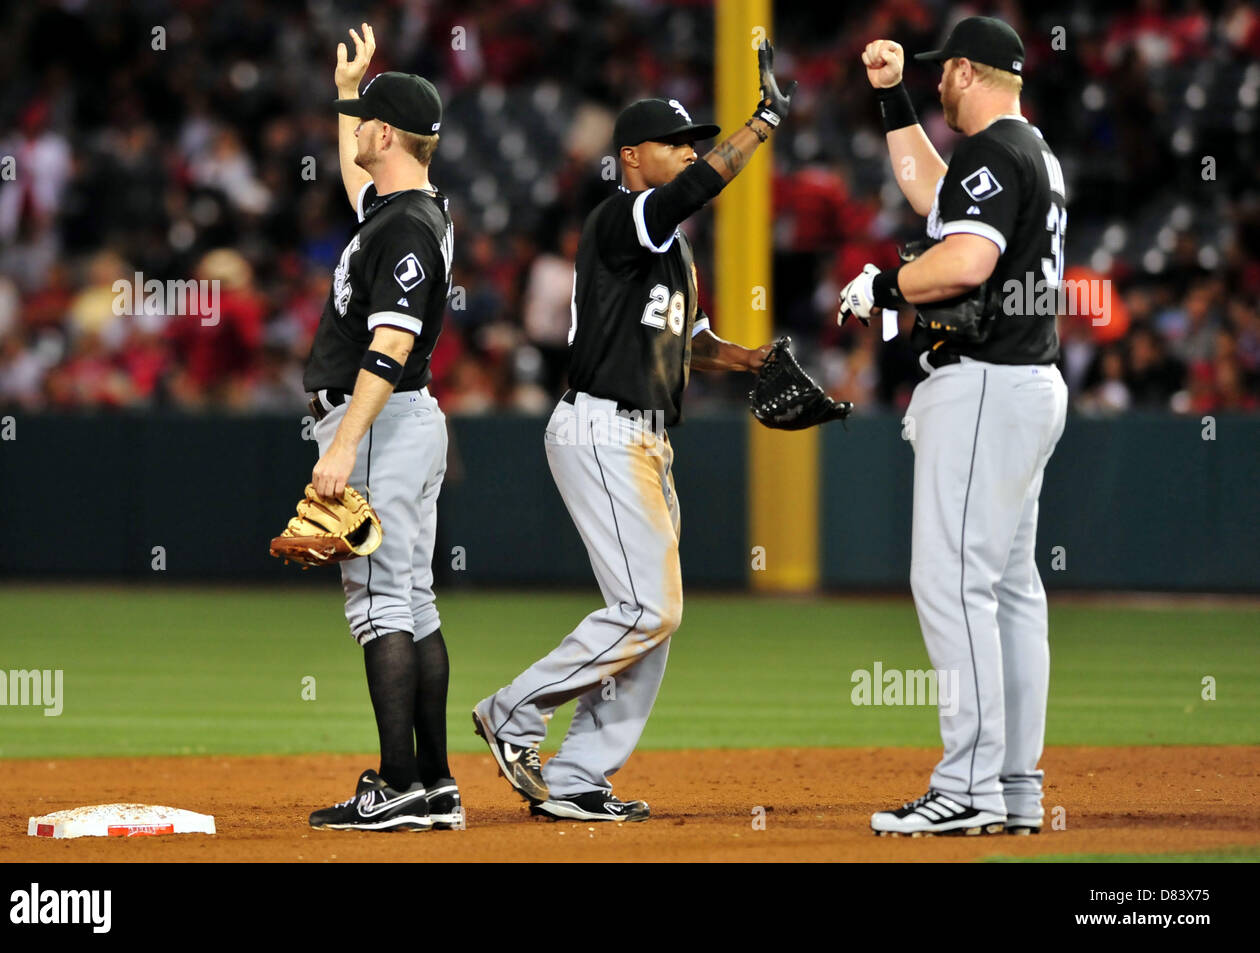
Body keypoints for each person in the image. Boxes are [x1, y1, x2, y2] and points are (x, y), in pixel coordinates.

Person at [472, 43, 792, 823]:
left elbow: (689, 342)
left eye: (694, 139)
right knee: (650, 607)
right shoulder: (624, 217)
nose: (687, 150)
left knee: (652, 618)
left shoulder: (669, 250)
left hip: (648, 441)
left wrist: (752, 361)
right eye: (675, 142)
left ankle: (581, 772)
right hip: (603, 428)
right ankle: (513, 710)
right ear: (630, 157)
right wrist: (761, 125)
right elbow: (696, 187)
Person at [839, 17, 1069, 836]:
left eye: (942, 75)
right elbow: (934, 195)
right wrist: (893, 98)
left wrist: (889, 285)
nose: (938, 85)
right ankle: (1012, 784)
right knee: (1010, 592)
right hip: (1027, 382)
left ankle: (968, 784)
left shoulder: (995, 152)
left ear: (968, 72)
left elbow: (965, 261)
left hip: (983, 385)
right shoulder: (1028, 151)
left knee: (953, 583)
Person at [303, 24, 461, 833]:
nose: (357, 128)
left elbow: (390, 344)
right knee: (413, 599)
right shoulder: (406, 209)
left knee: (378, 604)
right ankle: (433, 785)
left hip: (380, 420)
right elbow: (350, 167)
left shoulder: (403, 227)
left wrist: (341, 443)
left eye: (367, 117)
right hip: (403, 422)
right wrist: (345, 89)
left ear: (390, 134)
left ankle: (399, 782)